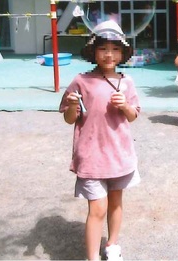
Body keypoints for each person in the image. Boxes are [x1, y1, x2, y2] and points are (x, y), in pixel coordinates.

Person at [59, 20, 140, 261]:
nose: (109, 54)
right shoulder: (81, 81)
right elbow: (69, 119)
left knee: (115, 202)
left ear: (123, 53)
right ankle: (92, 257)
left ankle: (112, 244)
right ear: (93, 51)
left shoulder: (126, 82)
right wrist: (72, 105)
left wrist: (124, 106)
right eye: (103, 48)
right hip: (91, 156)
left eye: (115, 49)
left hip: (119, 153)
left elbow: (133, 116)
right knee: (97, 208)